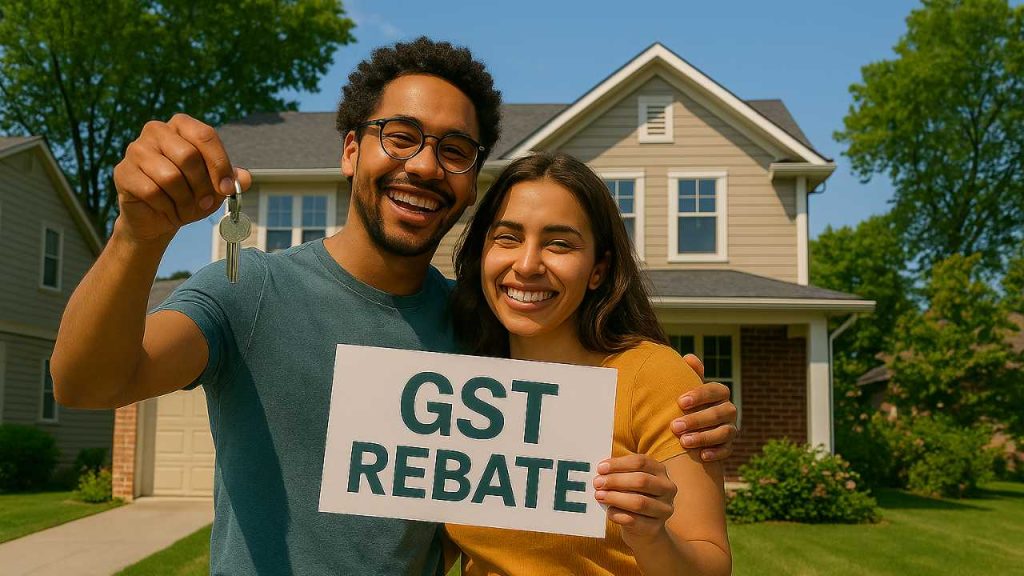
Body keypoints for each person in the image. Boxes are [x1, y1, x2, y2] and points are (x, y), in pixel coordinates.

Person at [51, 37, 736, 575]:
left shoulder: (480, 334)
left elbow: (593, 387)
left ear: (469, 187)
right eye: (400, 136)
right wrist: (136, 236)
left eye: (455, 151)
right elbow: (87, 382)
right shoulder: (248, 288)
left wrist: (683, 407)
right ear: (352, 151)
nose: (425, 165)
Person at [446, 152, 730, 576]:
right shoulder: (460, 379)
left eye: (559, 243)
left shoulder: (654, 377)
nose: (526, 265)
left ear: (599, 269)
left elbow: (712, 565)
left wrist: (652, 536)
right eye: (507, 237)